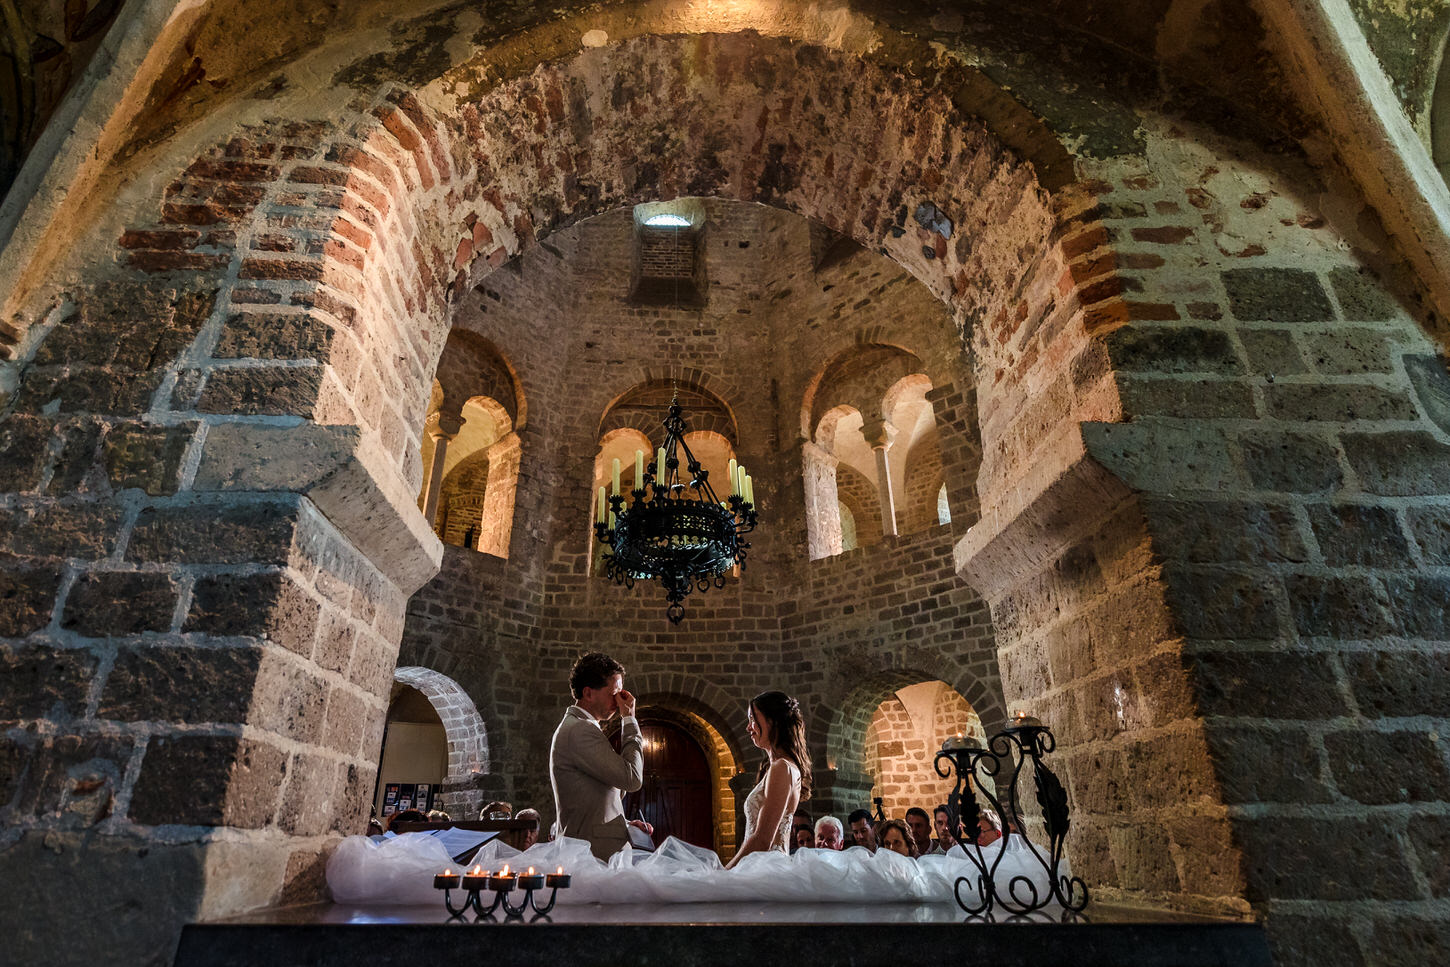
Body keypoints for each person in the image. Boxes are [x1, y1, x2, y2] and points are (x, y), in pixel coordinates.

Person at [548, 652, 653, 860]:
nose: (619, 700)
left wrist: (623, 824)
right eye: (614, 693)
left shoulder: (583, 727)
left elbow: (590, 801)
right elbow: (632, 779)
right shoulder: (579, 730)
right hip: (591, 857)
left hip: (596, 851)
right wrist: (630, 720)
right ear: (588, 693)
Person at [725, 690, 812, 869]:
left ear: (772, 721)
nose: (748, 727)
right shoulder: (780, 767)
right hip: (758, 867)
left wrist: (724, 873)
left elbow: (763, 839)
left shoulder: (782, 767)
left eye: (752, 719)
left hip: (767, 870)